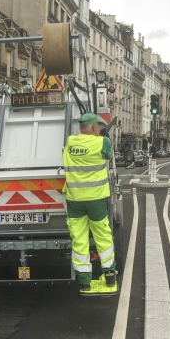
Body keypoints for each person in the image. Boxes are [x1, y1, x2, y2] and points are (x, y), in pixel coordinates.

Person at [63, 113, 116, 294]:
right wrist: (104, 138)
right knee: (102, 236)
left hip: (75, 200)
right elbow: (108, 155)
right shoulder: (102, 142)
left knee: (79, 240)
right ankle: (109, 275)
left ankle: (84, 281)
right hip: (96, 199)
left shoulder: (70, 142)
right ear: (94, 127)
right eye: (99, 128)